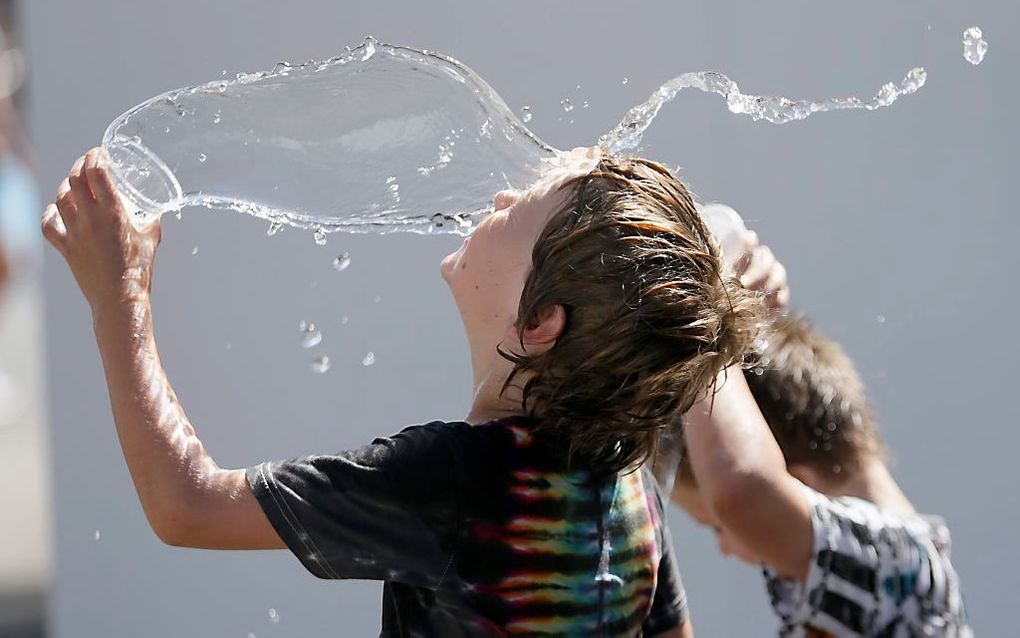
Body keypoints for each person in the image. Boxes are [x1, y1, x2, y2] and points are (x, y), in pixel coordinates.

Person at [42, 146, 762, 636]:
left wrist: (119, 296)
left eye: (522, 210)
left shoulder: (453, 482)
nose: (502, 197)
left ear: (540, 321)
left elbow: (187, 505)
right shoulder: (627, 480)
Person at [670, 242, 971, 636]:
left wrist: (707, 322)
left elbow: (740, 488)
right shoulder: (899, 580)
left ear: (798, 487)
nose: (726, 550)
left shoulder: (905, 567)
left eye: (718, 528)